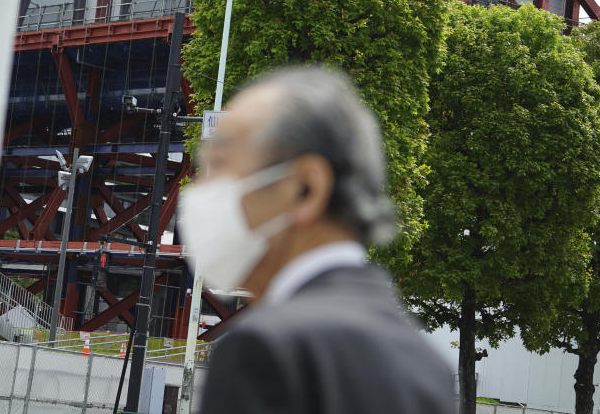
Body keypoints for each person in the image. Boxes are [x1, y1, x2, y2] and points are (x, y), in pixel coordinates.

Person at [180, 66, 454, 414]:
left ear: (306, 189)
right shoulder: (426, 362)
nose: (199, 190)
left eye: (218, 164)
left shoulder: (265, 350)